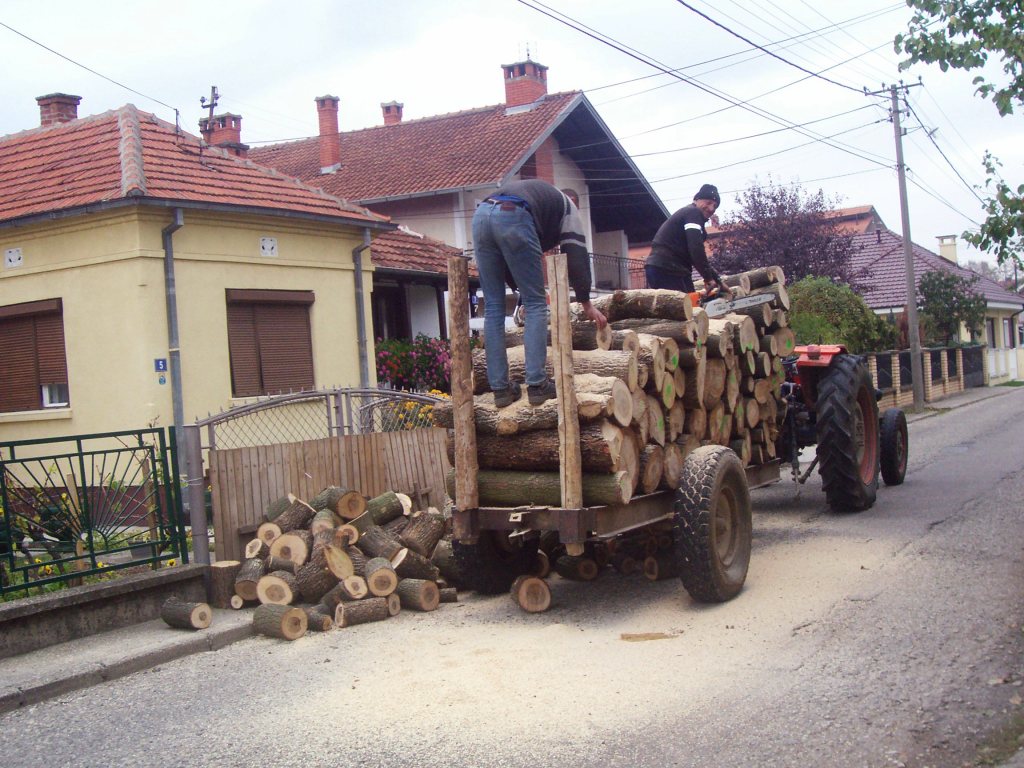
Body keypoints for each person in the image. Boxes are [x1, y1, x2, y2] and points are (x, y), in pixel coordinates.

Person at [472, 179, 607, 408]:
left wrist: (519, 287)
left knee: (493, 306)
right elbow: (575, 254)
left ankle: (501, 390)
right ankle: (537, 384)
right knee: (536, 304)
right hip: (514, 214)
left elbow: (512, 261)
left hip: (481, 216)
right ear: (574, 200)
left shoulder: (540, 197)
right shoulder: (568, 207)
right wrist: (586, 302)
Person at [645, 183, 726, 295]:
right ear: (697, 200)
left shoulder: (694, 219)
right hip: (668, 268)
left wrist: (718, 281)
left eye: (715, 206)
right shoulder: (693, 213)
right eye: (708, 203)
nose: (712, 208)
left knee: (689, 306)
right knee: (685, 308)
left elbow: (697, 257)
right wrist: (708, 278)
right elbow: (696, 249)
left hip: (669, 268)